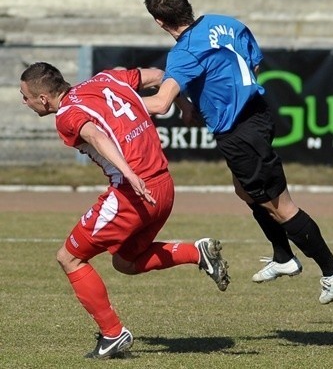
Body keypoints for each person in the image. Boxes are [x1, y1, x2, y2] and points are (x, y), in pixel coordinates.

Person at [141, 0, 333, 305]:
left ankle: (331, 267)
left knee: (280, 206)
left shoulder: (183, 53)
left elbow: (159, 104)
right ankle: (283, 256)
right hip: (258, 115)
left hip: (240, 132)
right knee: (244, 190)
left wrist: (114, 101)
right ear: (187, 3)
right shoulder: (224, 23)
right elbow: (252, 62)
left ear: (158, 21)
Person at [19, 62, 229, 359]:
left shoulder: (66, 115)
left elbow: (94, 135)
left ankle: (113, 334)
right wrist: (183, 104)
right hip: (164, 186)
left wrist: (128, 173)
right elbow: (159, 75)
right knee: (125, 262)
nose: (23, 102)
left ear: (42, 99)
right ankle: (197, 253)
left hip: (133, 193)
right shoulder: (105, 79)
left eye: (25, 97)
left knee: (70, 258)